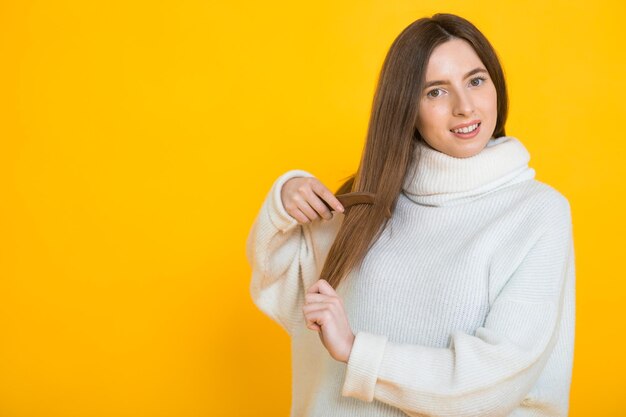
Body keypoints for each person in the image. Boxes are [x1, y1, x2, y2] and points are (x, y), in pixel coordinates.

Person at [246, 12, 575, 417]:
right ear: (406, 107)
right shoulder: (363, 205)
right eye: (435, 92)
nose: (465, 107)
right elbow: (279, 292)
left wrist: (356, 351)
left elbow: (493, 379)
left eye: (476, 80)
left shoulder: (538, 213)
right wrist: (285, 198)